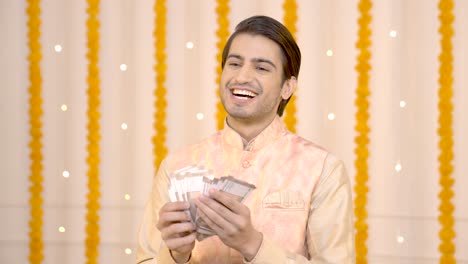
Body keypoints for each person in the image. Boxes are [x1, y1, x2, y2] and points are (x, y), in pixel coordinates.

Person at [137, 15, 354, 263]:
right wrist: (175, 255)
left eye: (261, 68)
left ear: (287, 87)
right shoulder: (177, 165)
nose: (241, 77)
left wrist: (253, 244)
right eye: (234, 63)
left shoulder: (323, 169)